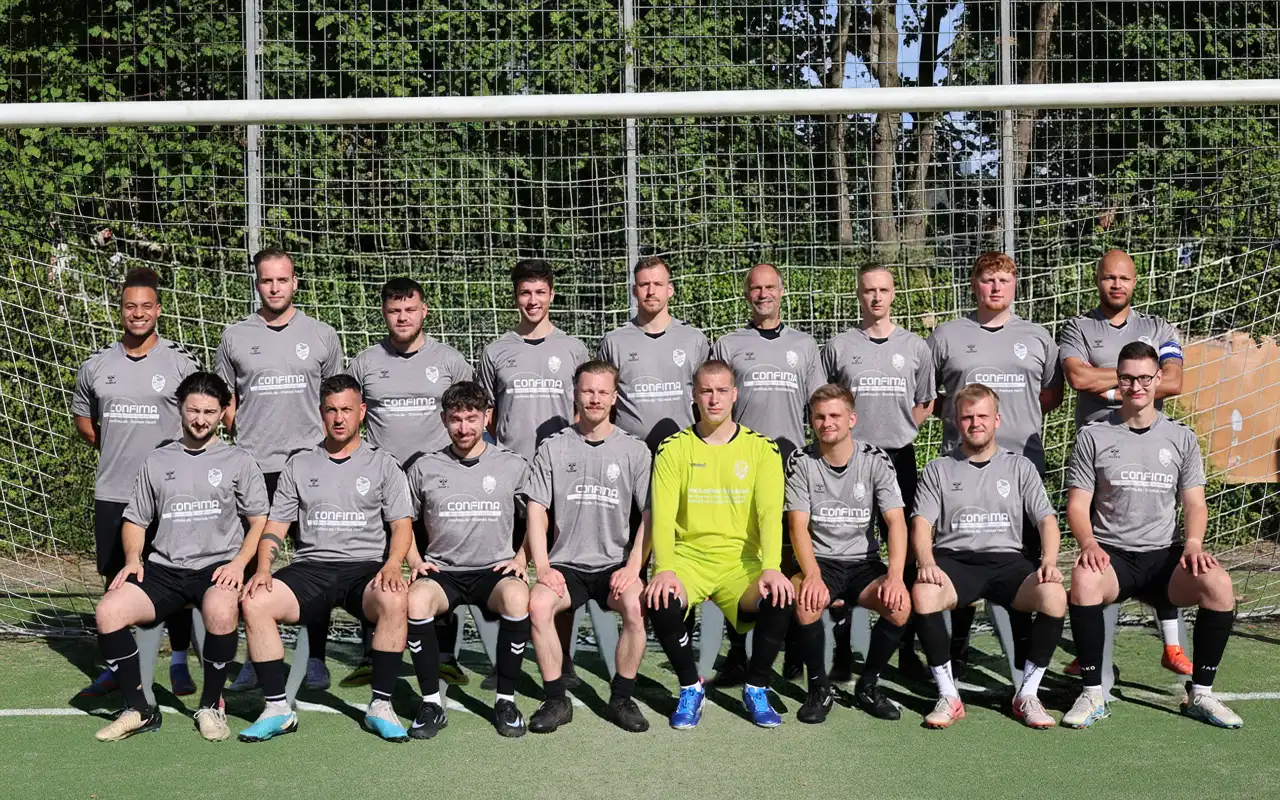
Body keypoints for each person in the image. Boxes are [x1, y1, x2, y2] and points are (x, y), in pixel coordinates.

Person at [1063, 342, 1241, 730]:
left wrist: (1193, 544)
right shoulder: (1094, 434)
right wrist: (1088, 544)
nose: (1136, 386)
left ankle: (1202, 693)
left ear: (1158, 379)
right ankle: (1094, 693)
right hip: (1113, 556)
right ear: (1119, 380)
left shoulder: (1181, 437)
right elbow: (1077, 505)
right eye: (1127, 378)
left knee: (1219, 585)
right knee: (1082, 580)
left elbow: (1194, 504)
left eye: (1145, 377)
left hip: (1165, 557)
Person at [237, 374, 414, 743]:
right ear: (321, 413)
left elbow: (401, 526)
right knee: (254, 599)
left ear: (361, 412)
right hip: (311, 567)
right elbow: (276, 526)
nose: (338, 418)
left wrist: (393, 563)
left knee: (396, 597)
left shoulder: (383, 464)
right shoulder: (299, 464)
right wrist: (264, 567)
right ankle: (276, 709)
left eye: (347, 410)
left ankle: (380, 705)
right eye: (331, 410)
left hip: (364, 567)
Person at [92, 372, 268, 742]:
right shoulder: (156, 461)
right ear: (180, 410)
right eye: (193, 411)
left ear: (223, 412)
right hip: (164, 568)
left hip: (215, 567)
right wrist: (133, 558)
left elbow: (258, 522)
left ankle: (210, 706)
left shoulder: (238, 460)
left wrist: (238, 564)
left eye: (209, 411)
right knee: (108, 611)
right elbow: (136, 520)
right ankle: (139, 709)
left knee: (222, 611)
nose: (200, 419)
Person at [926, 251, 1063, 676]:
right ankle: (958, 648)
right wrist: (964, 427)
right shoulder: (947, 336)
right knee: (961, 553)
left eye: (1004, 279)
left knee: (1021, 563)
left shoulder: (1038, 337)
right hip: (962, 469)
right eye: (987, 280)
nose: (996, 287)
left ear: (1015, 284)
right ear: (974, 284)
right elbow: (932, 399)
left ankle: (1022, 659)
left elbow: (1050, 397)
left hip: (1020, 467)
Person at [217, 248, 345, 694]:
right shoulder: (234, 336)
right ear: (257, 283)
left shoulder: (322, 335)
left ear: (295, 283)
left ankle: (314, 660)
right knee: (253, 565)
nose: (274, 288)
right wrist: (247, 441)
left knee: (312, 564)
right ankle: (255, 659)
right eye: (266, 280)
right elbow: (226, 401)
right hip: (255, 470)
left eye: (282, 280)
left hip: (311, 467)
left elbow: (335, 398)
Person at [1058, 249, 1191, 676]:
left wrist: (1109, 381)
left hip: (1150, 441)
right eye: (1109, 277)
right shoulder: (1078, 326)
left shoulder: (1158, 327)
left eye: (1125, 278)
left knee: (1158, 533)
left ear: (1136, 282)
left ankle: (1172, 646)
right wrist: (1134, 383)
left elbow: (1174, 381)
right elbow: (1077, 378)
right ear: (1097, 280)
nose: (1117, 284)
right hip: (1098, 447)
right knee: (1104, 547)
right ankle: (1093, 653)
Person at [73, 267, 200, 699]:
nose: (138, 314)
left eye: (146, 306)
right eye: (131, 306)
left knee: (177, 577)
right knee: (116, 578)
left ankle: (179, 662)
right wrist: (119, 454)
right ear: (120, 310)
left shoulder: (181, 362)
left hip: (169, 494)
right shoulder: (96, 365)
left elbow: (199, 417)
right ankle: (117, 666)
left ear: (158, 310)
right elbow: (85, 422)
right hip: (114, 491)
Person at [644, 360, 793, 729]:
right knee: (660, 597)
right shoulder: (673, 448)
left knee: (780, 595)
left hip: (740, 564)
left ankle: (756, 687)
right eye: (706, 391)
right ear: (694, 395)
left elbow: (770, 516)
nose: (714, 399)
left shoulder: (762, 450)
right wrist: (663, 570)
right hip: (688, 559)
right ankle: (690, 687)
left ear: (734, 395)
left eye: (722, 391)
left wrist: (772, 567)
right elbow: (662, 517)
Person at [910, 383, 1067, 730]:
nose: (975, 423)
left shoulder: (1020, 468)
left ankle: (1027, 694)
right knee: (922, 593)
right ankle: (949, 696)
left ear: (997, 420)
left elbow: (1046, 521)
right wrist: (926, 562)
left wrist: (1050, 563)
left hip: (1009, 562)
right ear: (955, 420)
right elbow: (922, 524)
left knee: (1054, 594)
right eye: (967, 417)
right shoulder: (938, 468)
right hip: (956, 561)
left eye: (982, 416)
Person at [347, 277, 474, 688]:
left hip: (437, 481)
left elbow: (467, 413)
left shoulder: (451, 362)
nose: (402, 317)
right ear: (384, 314)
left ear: (424, 312)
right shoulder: (365, 362)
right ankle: (372, 651)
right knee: (378, 560)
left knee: (437, 562)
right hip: (381, 483)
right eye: (394, 311)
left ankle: (445, 654)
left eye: (409, 309)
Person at [478, 258, 590, 689]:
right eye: (525, 293)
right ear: (515, 297)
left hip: (562, 474)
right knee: (504, 567)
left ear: (551, 295)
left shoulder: (574, 349)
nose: (532, 300)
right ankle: (502, 661)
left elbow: (585, 409)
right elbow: (488, 413)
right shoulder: (496, 351)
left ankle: (563, 661)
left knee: (555, 568)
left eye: (540, 293)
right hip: (509, 473)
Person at [709, 263, 824, 683]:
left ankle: (794, 651)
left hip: (790, 467)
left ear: (781, 291)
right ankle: (738, 654)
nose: (762, 294)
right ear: (746, 295)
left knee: (791, 554)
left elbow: (818, 408)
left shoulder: (805, 346)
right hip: (739, 468)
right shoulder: (728, 344)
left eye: (770, 287)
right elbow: (714, 405)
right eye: (755, 288)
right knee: (740, 556)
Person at [525, 361, 653, 734]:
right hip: (566, 564)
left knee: (635, 606)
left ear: (614, 397)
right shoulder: (553, 447)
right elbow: (537, 510)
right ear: (575, 394)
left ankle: (621, 697)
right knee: (538, 604)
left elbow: (650, 514)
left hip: (615, 565)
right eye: (587, 391)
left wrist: (633, 567)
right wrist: (543, 568)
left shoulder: (634, 450)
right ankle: (555, 698)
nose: (594, 399)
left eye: (602, 392)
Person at [822, 263, 935, 681]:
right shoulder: (838, 347)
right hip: (849, 461)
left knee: (900, 549)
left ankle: (905, 649)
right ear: (858, 294)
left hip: (898, 459)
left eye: (883, 290)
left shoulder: (916, 347)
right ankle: (843, 653)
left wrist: (900, 430)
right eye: (868, 290)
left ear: (893, 294)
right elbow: (825, 400)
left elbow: (925, 402)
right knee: (845, 549)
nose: (876, 298)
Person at [402, 381, 534, 739]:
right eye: (456, 419)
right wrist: (414, 560)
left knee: (518, 597)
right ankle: (431, 703)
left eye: (472, 418)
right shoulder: (425, 467)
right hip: (443, 571)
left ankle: (505, 700)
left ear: (487, 418)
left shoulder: (512, 465)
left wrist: (522, 559)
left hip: (494, 569)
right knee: (415, 600)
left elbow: (537, 517)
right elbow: (402, 522)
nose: (464, 427)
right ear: (444, 419)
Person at [786, 384, 911, 723]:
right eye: (820, 416)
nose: (827, 423)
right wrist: (810, 574)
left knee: (899, 606)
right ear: (812, 421)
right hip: (821, 562)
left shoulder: (875, 460)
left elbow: (896, 522)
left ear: (851, 419)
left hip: (863, 563)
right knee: (805, 600)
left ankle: (868, 685)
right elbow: (797, 525)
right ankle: (819, 688)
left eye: (835, 415)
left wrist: (896, 577)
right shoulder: (801, 460)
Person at [597, 256, 710, 452]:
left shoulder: (694, 339)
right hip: (628, 452)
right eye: (644, 285)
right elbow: (602, 400)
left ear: (670, 290)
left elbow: (709, 397)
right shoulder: (614, 341)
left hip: (683, 451)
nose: (651, 291)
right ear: (634, 291)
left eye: (658, 284)